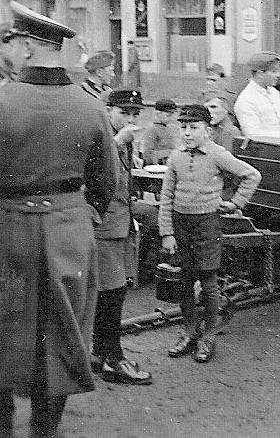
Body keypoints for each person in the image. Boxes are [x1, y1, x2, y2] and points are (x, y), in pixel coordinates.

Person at [0, 1, 119, 438]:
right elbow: (107, 181)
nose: (11, 52)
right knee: (64, 333)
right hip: (69, 229)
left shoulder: (1, 99)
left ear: (29, 47)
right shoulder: (91, 107)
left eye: (13, 43)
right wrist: (81, 215)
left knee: (3, 332)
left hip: (6, 229)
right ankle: (45, 432)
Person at [158, 104, 261, 363]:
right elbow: (166, 197)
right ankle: (189, 332)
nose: (187, 133)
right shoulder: (176, 156)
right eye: (183, 127)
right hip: (181, 225)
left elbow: (251, 175)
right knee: (184, 280)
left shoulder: (218, 154)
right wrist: (167, 233)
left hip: (207, 224)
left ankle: (208, 336)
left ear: (208, 131)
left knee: (208, 282)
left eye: (194, 128)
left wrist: (235, 203)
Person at [92, 89, 152, 385]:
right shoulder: (103, 136)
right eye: (123, 113)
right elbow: (94, 174)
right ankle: (113, 360)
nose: (130, 119)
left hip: (118, 224)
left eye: (134, 114)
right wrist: (117, 144)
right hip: (103, 227)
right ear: (109, 110)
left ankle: (99, 354)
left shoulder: (120, 139)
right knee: (111, 294)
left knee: (109, 293)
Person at [234, 51, 280, 138]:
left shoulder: (273, 92)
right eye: (273, 71)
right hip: (264, 149)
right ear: (260, 74)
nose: (278, 75)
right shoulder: (246, 100)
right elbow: (251, 134)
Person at [142, 98, 179, 165]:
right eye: (168, 115)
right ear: (158, 114)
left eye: (172, 115)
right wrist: (170, 152)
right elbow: (148, 154)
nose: (171, 118)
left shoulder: (170, 128)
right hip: (157, 168)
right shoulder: (152, 129)